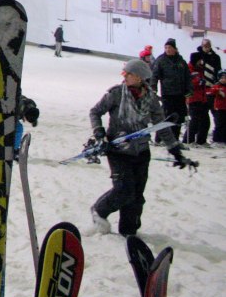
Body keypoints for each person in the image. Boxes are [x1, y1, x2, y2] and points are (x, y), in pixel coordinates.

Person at [89, 58, 194, 236]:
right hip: (118, 150)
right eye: (124, 73)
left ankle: (129, 231)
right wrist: (99, 133)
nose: (124, 76)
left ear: (139, 77)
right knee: (124, 190)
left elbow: (161, 126)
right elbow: (95, 112)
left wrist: (174, 149)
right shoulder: (116, 93)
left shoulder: (151, 99)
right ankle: (99, 211)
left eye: (128, 74)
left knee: (137, 195)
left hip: (141, 152)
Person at [152, 38, 190, 139]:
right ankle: (159, 138)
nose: (167, 49)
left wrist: (189, 90)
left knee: (179, 117)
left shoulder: (181, 61)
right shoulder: (161, 60)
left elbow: (187, 77)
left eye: (169, 47)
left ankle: (175, 138)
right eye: (166, 47)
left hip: (180, 94)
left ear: (175, 49)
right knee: (167, 116)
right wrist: (153, 88)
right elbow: (154, 76)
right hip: (167, 93)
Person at [211, 70, 226, 145]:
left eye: (225, 78)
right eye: (222, 78)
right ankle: (216, 139)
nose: (223, 79)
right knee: (219, 124)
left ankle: (223, 139)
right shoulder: (217, 85)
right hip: (219, 108)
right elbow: (212, 90)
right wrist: (219, 91)